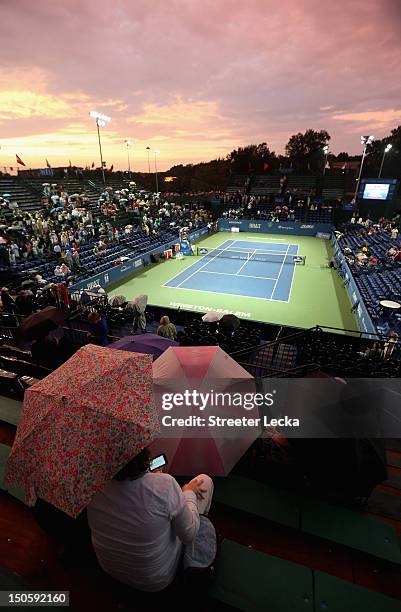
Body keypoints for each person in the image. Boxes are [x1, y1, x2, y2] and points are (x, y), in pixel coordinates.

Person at [87, 447, 214, 592]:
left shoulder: (91, 485)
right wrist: (188, 492)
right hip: (155, 580)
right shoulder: (165, 484)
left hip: (110, 569)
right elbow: (189, 535)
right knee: (205, 480)